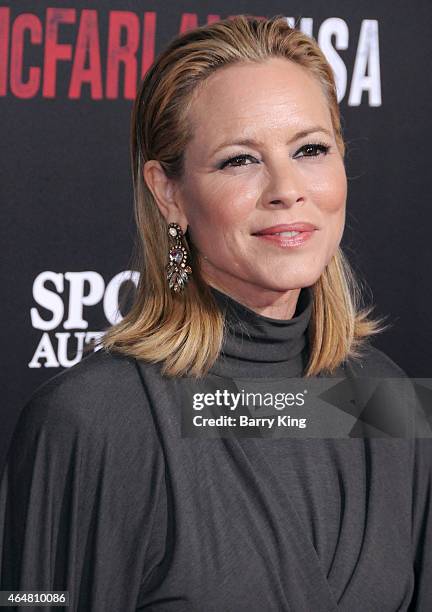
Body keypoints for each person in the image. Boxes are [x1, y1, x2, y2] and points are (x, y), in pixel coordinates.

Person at [1, 14, 430, 612]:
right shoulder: (94, 423)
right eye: (239, 160)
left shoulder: (384, 400)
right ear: (169, 192)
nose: (286, 187)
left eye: (310, 149)